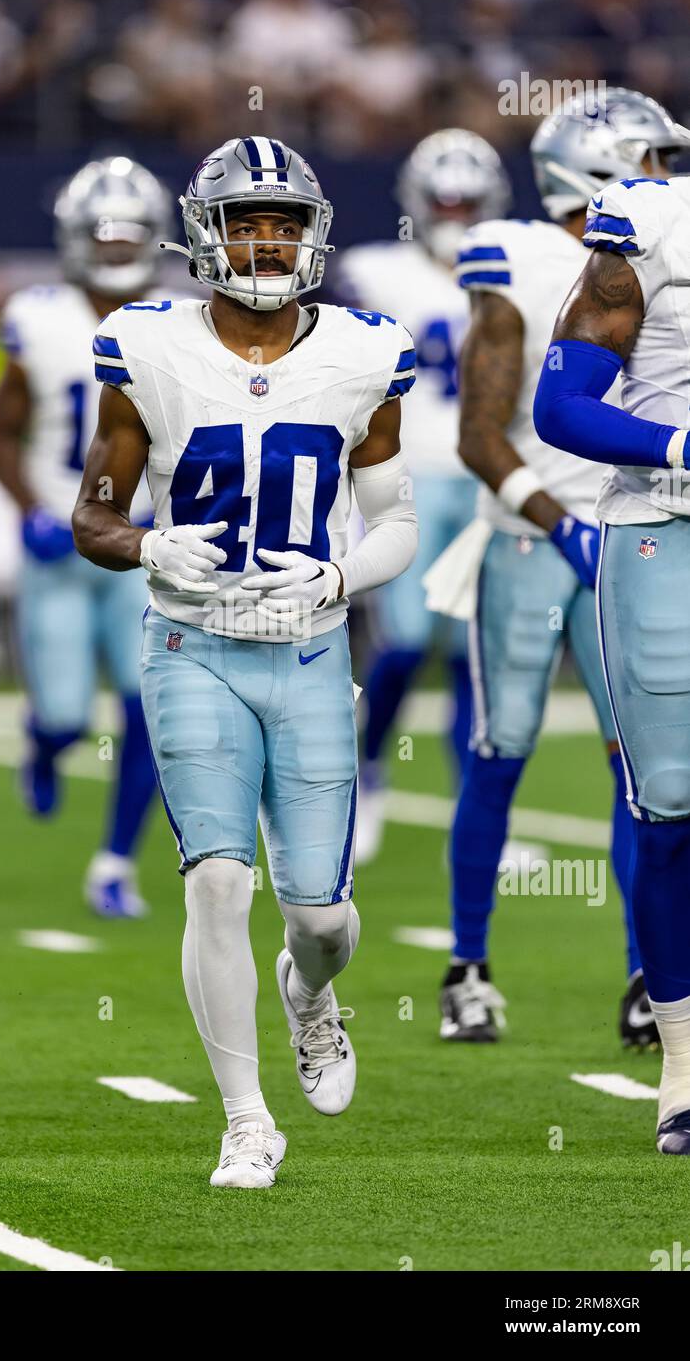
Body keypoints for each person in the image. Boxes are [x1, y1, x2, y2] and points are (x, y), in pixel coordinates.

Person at [72, 136, 419, 1187]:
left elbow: (396, 518)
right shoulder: (144, 345)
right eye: (243, 221)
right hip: (191, 645)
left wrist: (343, 579)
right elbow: (91, 513)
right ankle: (243, 1119)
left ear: (311, 233)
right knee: (217, 884)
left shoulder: (363, 351)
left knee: (319, 914)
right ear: (204, 233)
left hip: (309, 649)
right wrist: (146, 542)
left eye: (282, 222)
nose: (264, 241)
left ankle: (309, 992)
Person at [437, 91, 660, 1047]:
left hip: (633, 534)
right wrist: (556, 520)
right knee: (503, 745)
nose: (664, 176)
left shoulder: (659, 251)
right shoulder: (520, 256)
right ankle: (468, 967)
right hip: (532, 537)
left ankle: (650, 976)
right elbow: (477, 436)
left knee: (645, 766)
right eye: (648, 158)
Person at [533, 92, 690, 1152]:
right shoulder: (647, 226)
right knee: (671, 807)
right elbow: (559, 406)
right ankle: (682, 1068)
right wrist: (679, 448)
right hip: (663, 531)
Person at [0, 158, 167, 918]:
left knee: (147, 709)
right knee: (65, 714)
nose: (117, 249)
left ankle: (116, 862)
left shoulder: (180, 316)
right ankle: (44, 742)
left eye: (130, 236)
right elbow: (1, 430)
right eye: (104, 235)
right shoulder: (35, 315)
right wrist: (31, 507)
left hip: (142, 545)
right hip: (61, 543)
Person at [338, 129, 510, 862]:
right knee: (406, 642)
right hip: (400, 475)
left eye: (465, 199)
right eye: (444, 199)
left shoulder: (514, 268)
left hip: (485, 479)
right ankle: (367, 774)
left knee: (478, 654)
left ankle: (476, 816)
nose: (455, 211)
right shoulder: (375, 271)